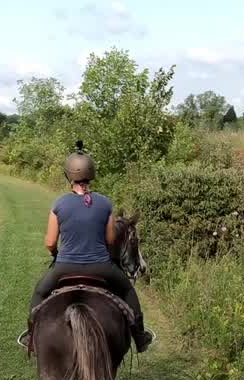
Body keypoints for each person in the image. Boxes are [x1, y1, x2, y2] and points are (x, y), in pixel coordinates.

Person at [25, 145, 153, 353]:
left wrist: (56, 255)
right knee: (128, 290)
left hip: (64, 267)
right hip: (101, 267)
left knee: (39, 292)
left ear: (69, 175)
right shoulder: (105, 203)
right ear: (91, 174)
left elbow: (49, 242)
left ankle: (31, 336)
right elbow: (111, 239)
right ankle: (139, 337)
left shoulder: (59, 203)